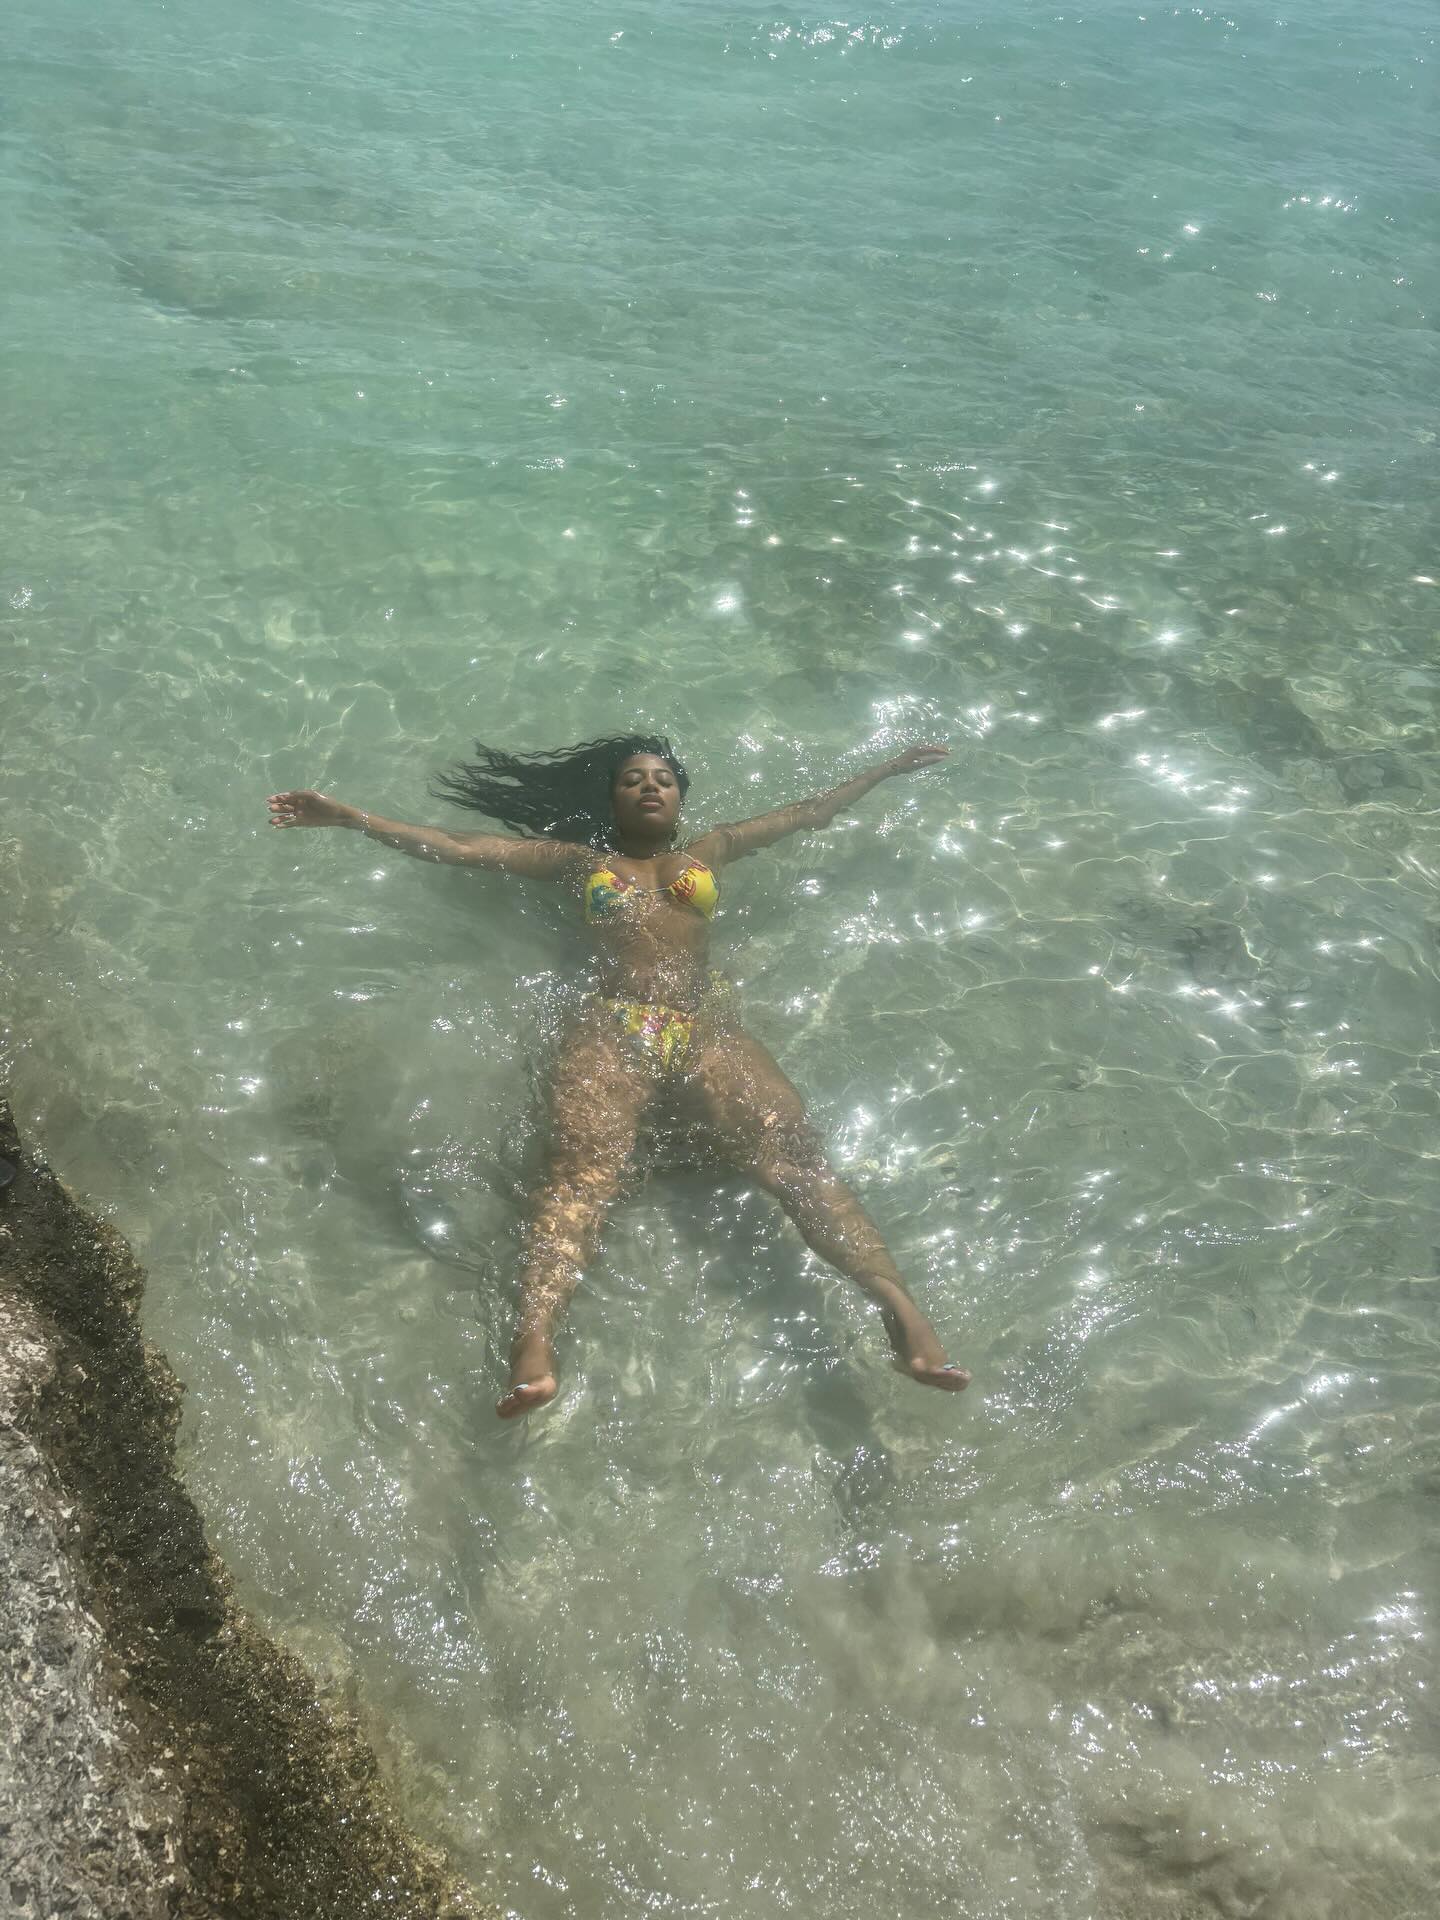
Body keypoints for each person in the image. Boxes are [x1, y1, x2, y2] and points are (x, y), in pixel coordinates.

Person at [268, 735, 971, 1417]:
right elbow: (461, 846)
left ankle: (896, 1306)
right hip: (612, 1026)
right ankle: (534, 1341)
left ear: (680, 798)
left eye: (662, 779)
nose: (648, 787)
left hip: (703, 1028)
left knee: (792, 1156)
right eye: (632, 779)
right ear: (613, 799)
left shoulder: (711, 850)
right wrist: (353, 818)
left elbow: (808, 812)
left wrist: (885, 769)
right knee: (579, 1176)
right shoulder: (578, 863)